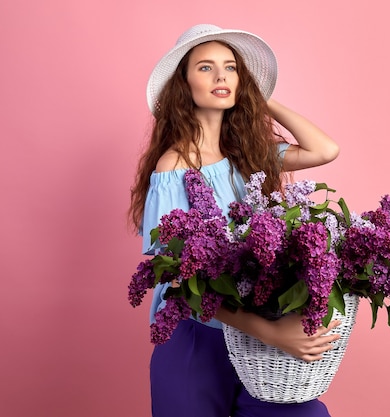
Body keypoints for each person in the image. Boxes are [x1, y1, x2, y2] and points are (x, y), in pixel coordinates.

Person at [128, 24, 341, 417]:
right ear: (183, 83)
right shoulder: (175, 167)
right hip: (196, 340)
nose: (221, 76)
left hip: (255, 344)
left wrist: (261, 100)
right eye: (205, 68)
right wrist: (275, 334)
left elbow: (325, 149)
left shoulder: (250, 157)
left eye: (231, 67)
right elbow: (176, 279)